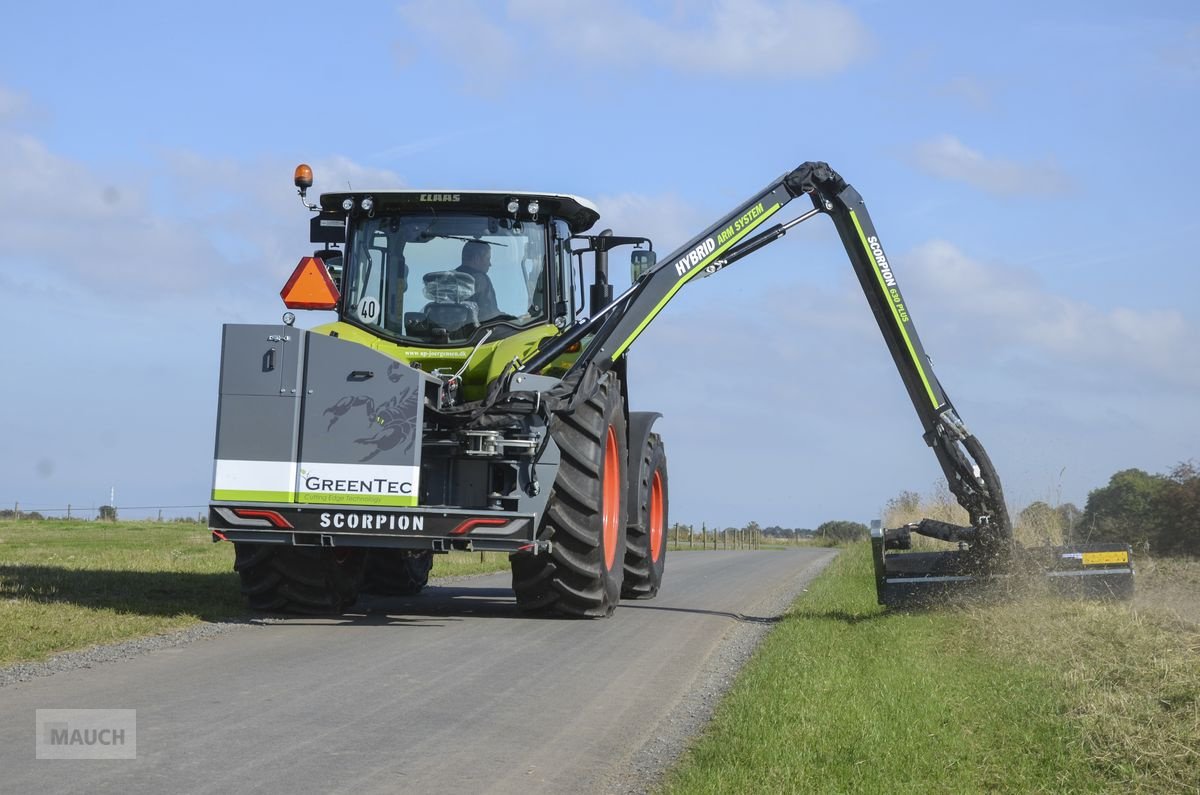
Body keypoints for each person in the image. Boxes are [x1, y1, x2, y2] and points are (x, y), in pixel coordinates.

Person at [456, 239, 501, 320]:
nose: (490, 264)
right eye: (488, 259)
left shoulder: (449, 279)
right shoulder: (480, 279)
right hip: (477, 331)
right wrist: (512, 319)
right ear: (477, 259)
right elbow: (490, 315)